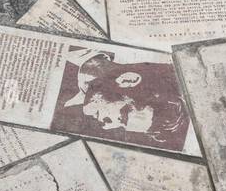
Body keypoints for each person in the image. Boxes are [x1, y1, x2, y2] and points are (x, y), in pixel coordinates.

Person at [51, 47, 191, 150]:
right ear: (126, 80)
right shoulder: (70, 50)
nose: (106, 126)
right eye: (121, 117)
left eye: (120, 125)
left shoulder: (63, 108)